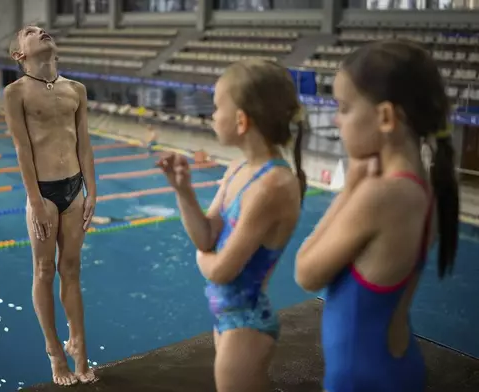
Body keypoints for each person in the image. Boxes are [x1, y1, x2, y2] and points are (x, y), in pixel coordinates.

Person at [295, 40, 459, 392]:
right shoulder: (422, 188)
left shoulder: (379, 195)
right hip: (397, 366)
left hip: (359, 378)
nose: (336, 119)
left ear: (385, 116)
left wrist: (350, 189)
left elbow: (306, 272)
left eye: (344, 107)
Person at [158, 59, 307, 392]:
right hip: (228, 317)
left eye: (215, 107)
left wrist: (201, 258)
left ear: (241, 120)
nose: (211, 115)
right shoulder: (238, 169)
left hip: (247, 324)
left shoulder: (273, 185)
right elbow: (207, 235)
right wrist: (183, 191)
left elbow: (222, 268)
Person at [4, 25, 97, 386]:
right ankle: (54, 352)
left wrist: (92, 191)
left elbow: (84, 144)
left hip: (75, 189)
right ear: (19, 54)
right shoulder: (15, 93)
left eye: (42, 29)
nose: (41, 31)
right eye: (30, 32)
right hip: (42, 192)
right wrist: (34, 199)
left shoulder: (76, 89)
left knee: (71, 269)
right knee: (44, 270)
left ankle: (80, 348)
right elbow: (22, 149)